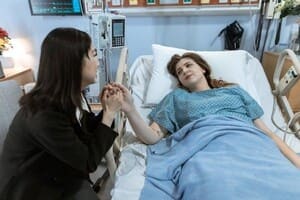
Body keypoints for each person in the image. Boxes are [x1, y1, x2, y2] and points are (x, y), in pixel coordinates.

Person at [109, 52, 300, 168]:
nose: (184, 71)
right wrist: (130, 108)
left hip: (250, 145)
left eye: (188, 65)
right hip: (207, 152)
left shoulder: (234, 90)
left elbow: (265, 132)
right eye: (179, 72)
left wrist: (295, 161)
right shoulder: (176, 98)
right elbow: (152, 137)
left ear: (203, 68)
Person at [0, 28, 122, 200]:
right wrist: (109, 114)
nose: (98, 61)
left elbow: (85, 130)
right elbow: (88, 162)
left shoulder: (70, 96)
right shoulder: (44, 114)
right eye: (94, 55)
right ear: (73, 63)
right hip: (27, 188)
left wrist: (106, 108)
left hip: (55, 167)